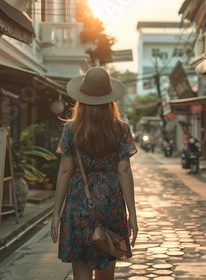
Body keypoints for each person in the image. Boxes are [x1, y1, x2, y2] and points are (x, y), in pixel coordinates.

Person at [50, 67, 138, 280]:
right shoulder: (121, 128)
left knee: (80, 274)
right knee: (106, 272)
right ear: (110, 100)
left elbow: (66, 170)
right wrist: (132, 214)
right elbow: (124, 170)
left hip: (79, 203)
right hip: (111, 203)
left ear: (81, 99)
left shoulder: (71, 129)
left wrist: (56, 212)